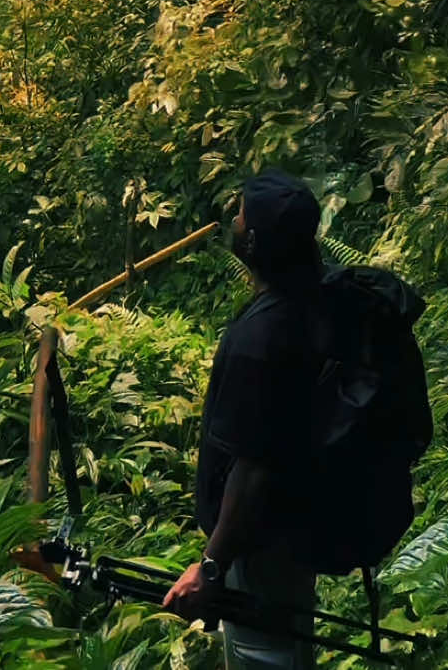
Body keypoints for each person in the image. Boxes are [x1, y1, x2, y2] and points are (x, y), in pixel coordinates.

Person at [163, 169, 325, 670]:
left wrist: (211, 566)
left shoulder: (264, 338)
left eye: (239, 216)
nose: (232, 221)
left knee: (267, 658)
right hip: (288, 533)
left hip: (264, 545)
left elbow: (256, 467)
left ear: (252, 240)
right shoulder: (309, 301)